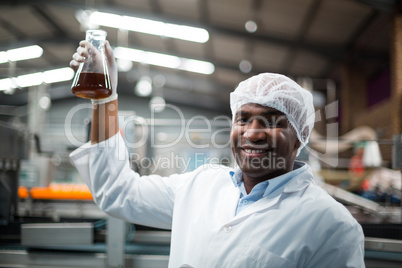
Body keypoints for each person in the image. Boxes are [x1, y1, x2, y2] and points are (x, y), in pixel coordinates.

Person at [70, 40, 365, 268]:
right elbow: (117, 192)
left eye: (273, 121)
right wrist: (105, 98)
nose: (252, 133)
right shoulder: (201, 185)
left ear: (300, 136)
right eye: (243, 118)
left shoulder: (331, 225)